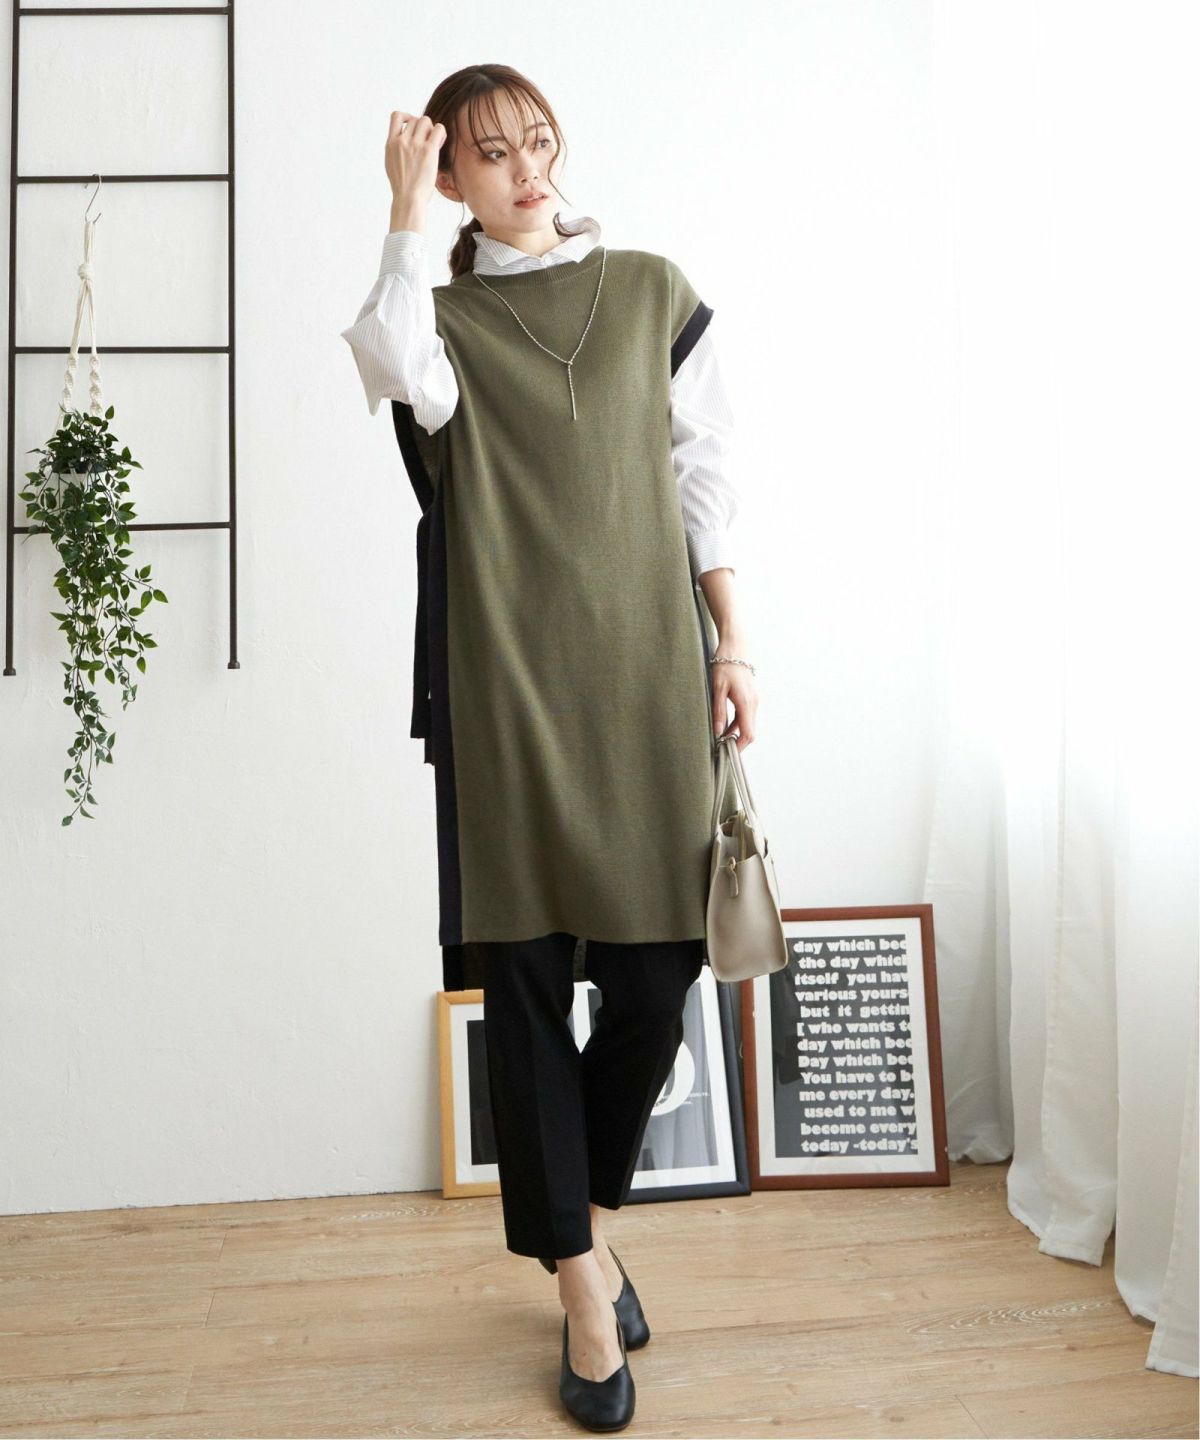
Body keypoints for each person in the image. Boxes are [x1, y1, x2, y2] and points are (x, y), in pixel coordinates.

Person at [341, 63, 758, 1431]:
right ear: (455, 178)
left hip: (647, 684)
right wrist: (403, 217)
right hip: (504, 692)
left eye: (536, 141)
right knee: (522, 997)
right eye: (488, 153)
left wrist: (733, 645)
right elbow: (390, 367)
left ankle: (581, 1223)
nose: (524, 168)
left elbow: (704, 478)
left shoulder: (648, 292)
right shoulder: (444, 320)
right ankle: (582, 1285)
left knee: (654, 978)